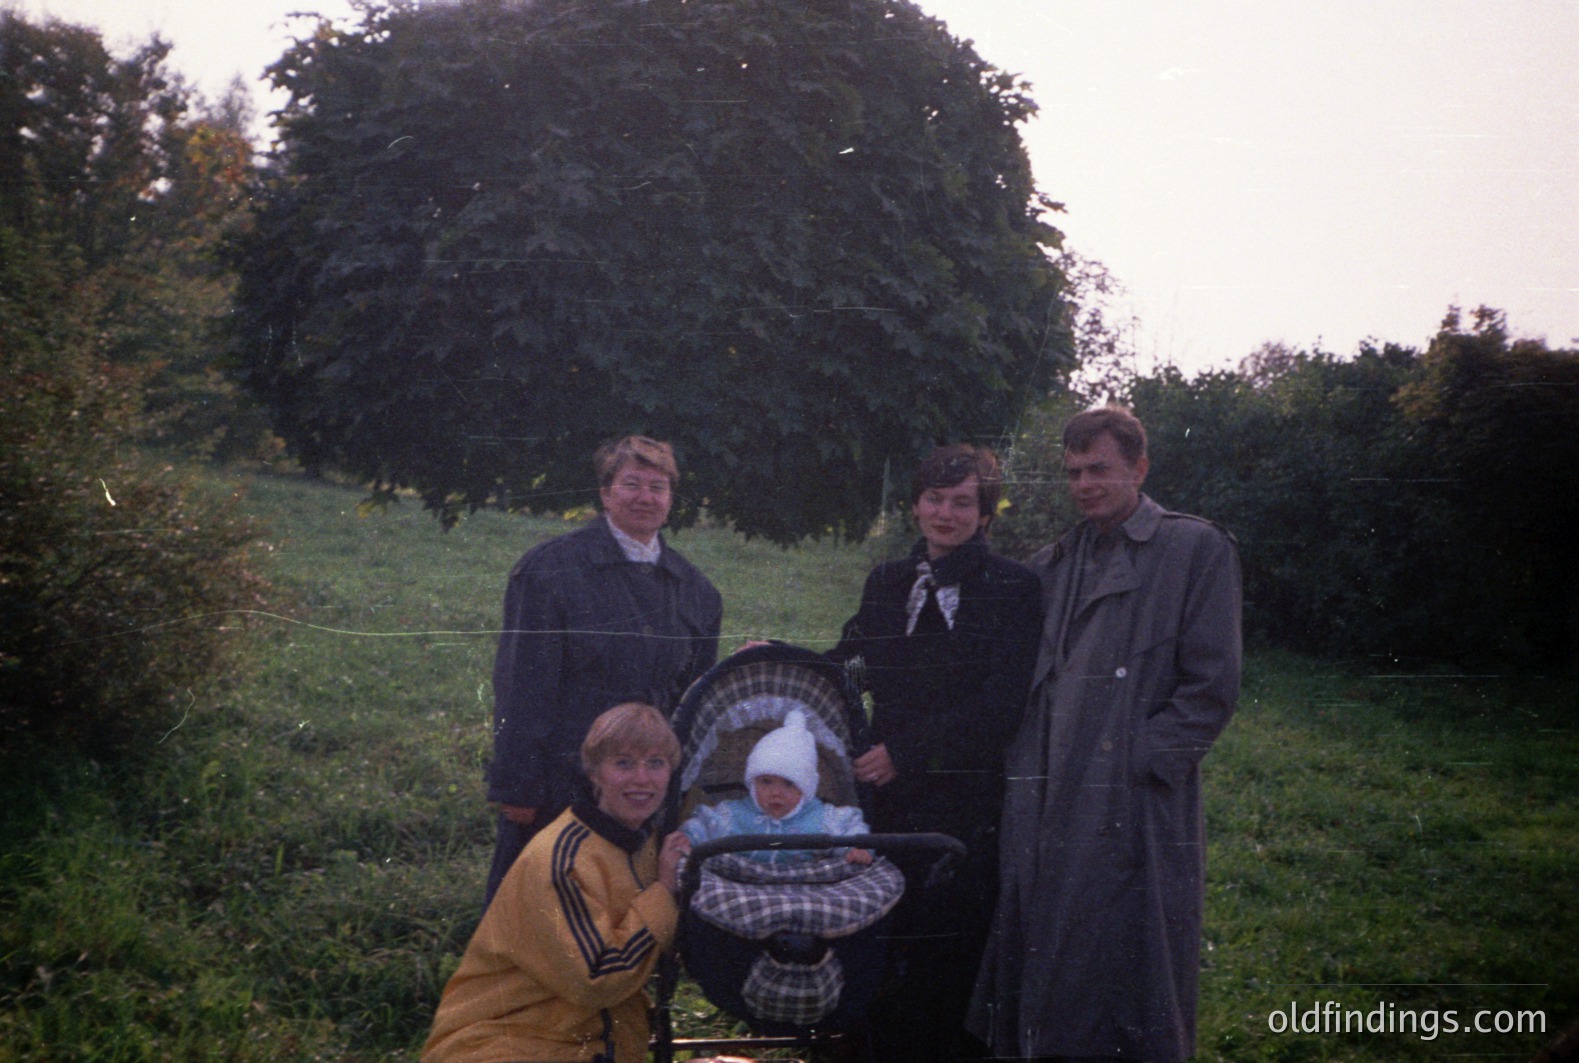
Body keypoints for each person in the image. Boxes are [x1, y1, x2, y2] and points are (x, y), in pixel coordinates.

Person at [969, 405, 1243, 1063]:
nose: (1085, 484)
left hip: (1132, 806)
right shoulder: (1051, 563)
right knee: (1046, 953)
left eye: (1099, 469)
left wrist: (1139, 763)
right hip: (1044, 793)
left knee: (1129, 964)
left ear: (1138, 467)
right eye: (1073, 472)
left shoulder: (1195, 549)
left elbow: (1212, 685)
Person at [827, 443, 1043, 1062]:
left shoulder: (1013, 588)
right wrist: (779, 657)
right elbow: (851, 662)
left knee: (947, 944)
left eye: (962, 502)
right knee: (883, 930)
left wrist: (909, 752)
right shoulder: (890, 580)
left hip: (963, 796)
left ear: (985, 513)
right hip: (885, 794)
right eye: (934, 499)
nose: (946, 514)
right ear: (915, 505)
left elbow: (1002, 704)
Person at [485, 435, 722, 905]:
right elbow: (520, 685)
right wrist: (517, 783)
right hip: (558, 783)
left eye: (658, 487)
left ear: (671, 499)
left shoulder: (697, 591)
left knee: (618, 918)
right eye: (631, 484)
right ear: (606, 493)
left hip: (641, 792)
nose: (644, 497)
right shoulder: (550, 570)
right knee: (536, 910)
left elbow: (694, 704)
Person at [424, 702, 691, 1063]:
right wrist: (663, 892)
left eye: (655, 763)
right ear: (595, 772)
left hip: (587, 1044)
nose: (642, 778)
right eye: (624, 763)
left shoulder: (647, 844)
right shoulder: (562, 858)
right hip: (506, 1043)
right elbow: (597, 976)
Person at [680, 708, 874, 866]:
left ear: (805, 789)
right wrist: (688, 838)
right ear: (752, 782)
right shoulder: (733, 815)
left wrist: (857, 848)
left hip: (804, 886)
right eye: (766, 782)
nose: (776, 793)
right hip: (744, 886)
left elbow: (851, 828)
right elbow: (703, 824)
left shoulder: (822, 818)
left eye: (789, 784)